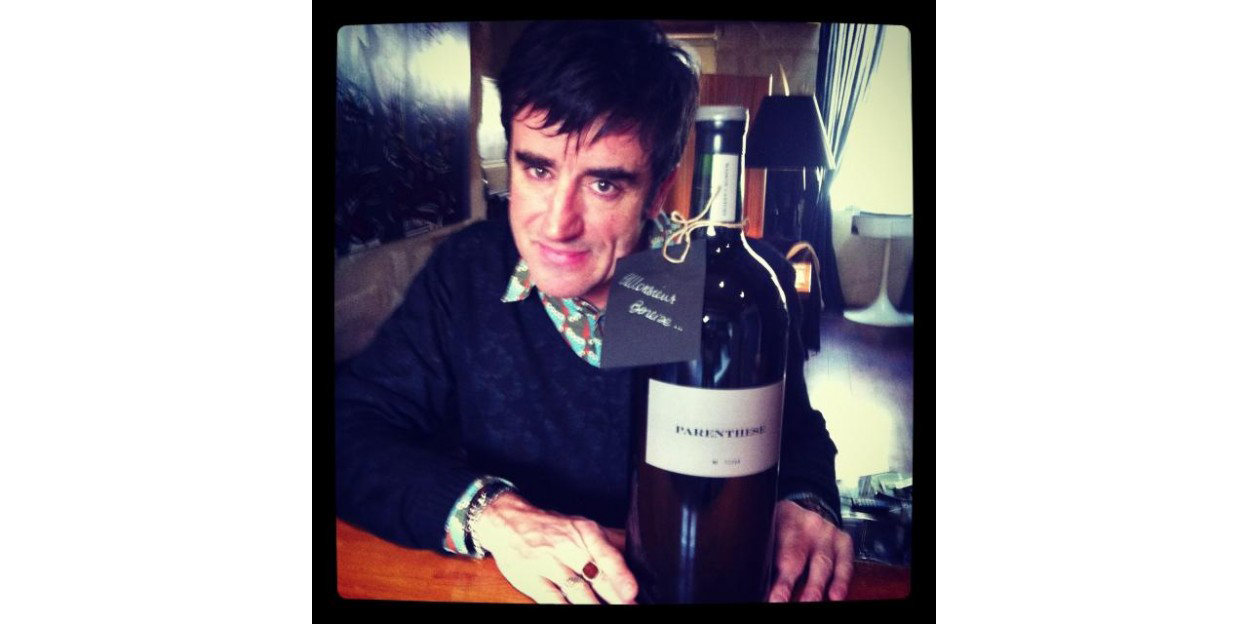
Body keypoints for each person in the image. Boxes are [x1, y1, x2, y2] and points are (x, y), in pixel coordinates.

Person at [335, 20, 854, 604]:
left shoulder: (717, 290)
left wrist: (806, 503)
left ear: (657, 191)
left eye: (604, 185)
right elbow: (346, 430)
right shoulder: (468, 272)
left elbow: (797, 435)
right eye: (538, 169)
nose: (557, 224)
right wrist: (494, 515)